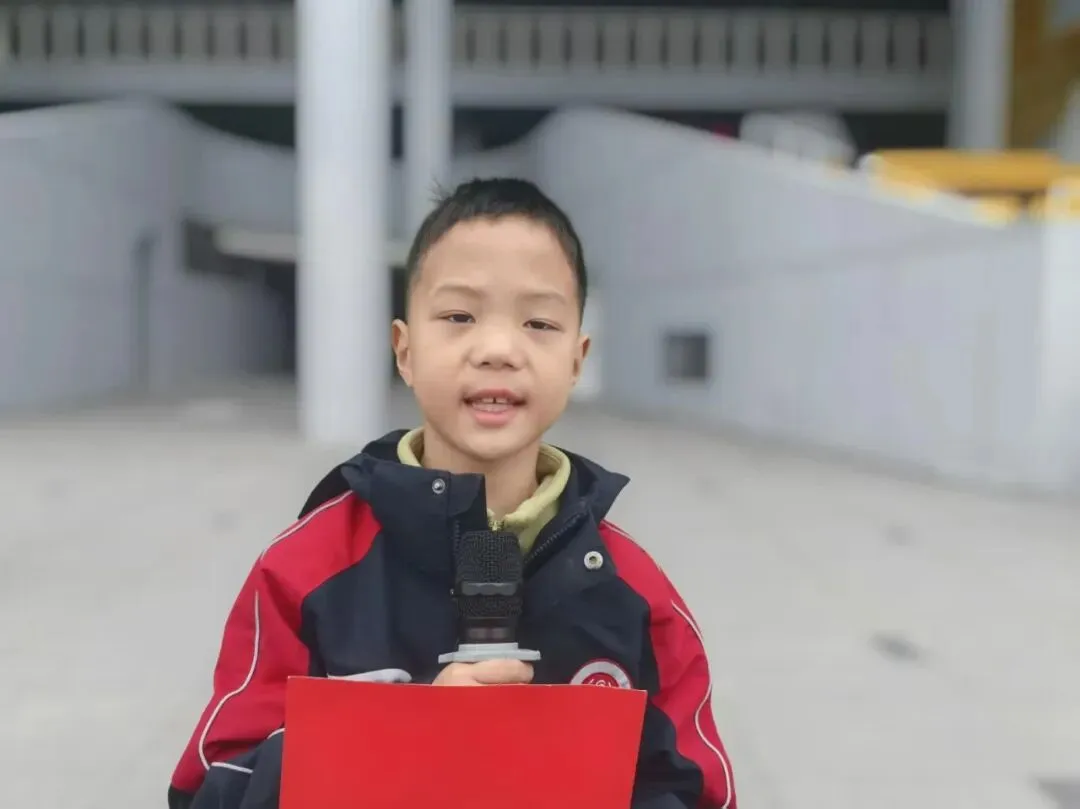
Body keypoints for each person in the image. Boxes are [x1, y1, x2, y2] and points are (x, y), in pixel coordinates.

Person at [168, 178, 736, 809]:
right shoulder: (303, 571)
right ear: (405, 351)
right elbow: (211, 789)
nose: (498, 350)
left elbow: (695, 791)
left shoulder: (634, 594)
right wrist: (406, 736)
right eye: (460, 317)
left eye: (539, 322)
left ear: (577, 360)